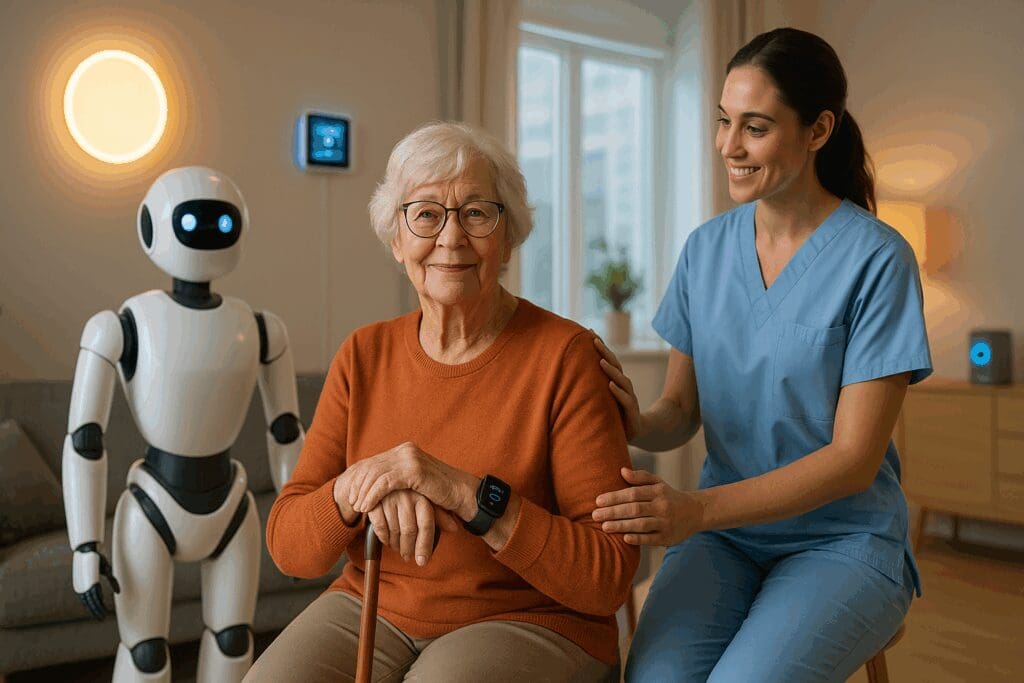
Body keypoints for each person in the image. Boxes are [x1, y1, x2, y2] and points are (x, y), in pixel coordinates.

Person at [591, 27, 932, 682]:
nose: (728, 146)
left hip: (843, 541)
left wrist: (693, 511)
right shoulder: (705, 250)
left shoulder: (877, 259)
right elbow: (681, 409)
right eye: (724, 122)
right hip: (726, 538)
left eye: (755, 127)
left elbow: (853, 460)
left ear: (818, 130)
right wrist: (632, 417)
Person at [246, 121, 638, 683]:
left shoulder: (566, 356)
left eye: (477, 213)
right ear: (396, 237)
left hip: (533, 618)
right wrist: (366, 484)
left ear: (508, 235)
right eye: (426, 214)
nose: (451, 238)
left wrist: (463, 493)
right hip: (375, 604)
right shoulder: (363, 353)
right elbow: (290, 547)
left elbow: (607, 578)